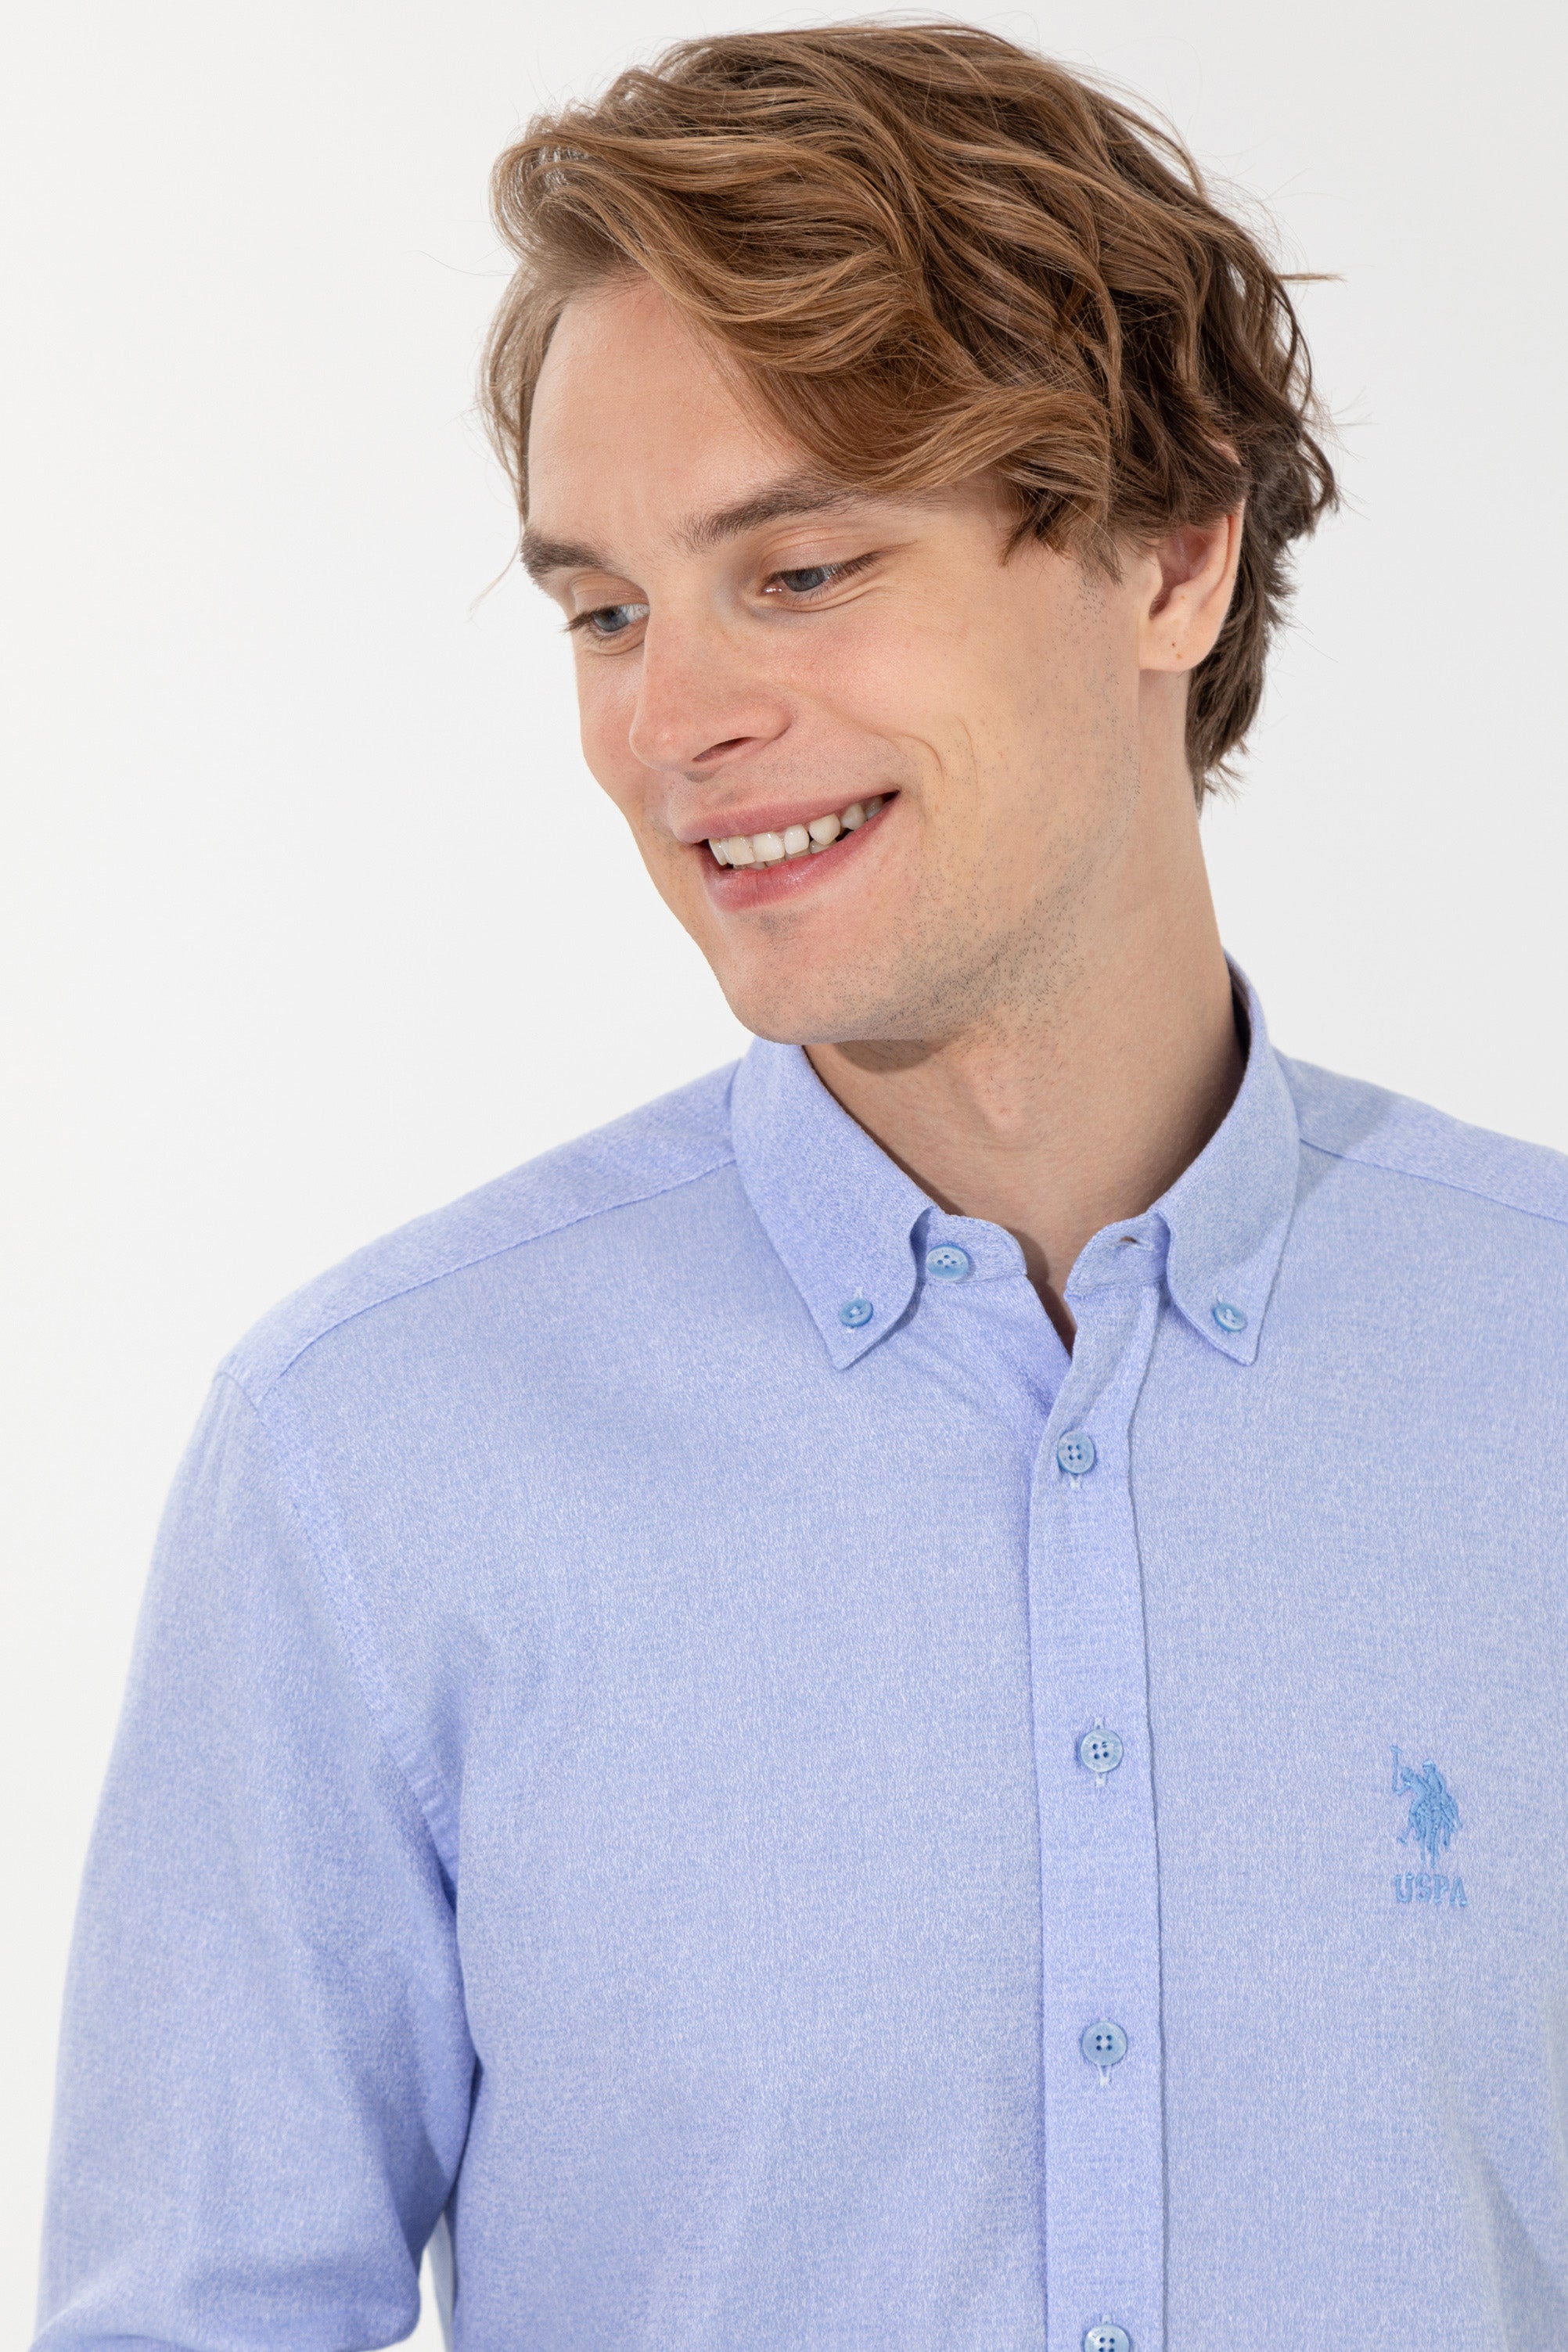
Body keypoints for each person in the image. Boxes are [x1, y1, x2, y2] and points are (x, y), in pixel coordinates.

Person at [34, 23, 1568, 2352]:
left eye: (805, 567)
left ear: (1170, 556)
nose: (671, 725)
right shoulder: (374, 1455)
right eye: (605, 611)